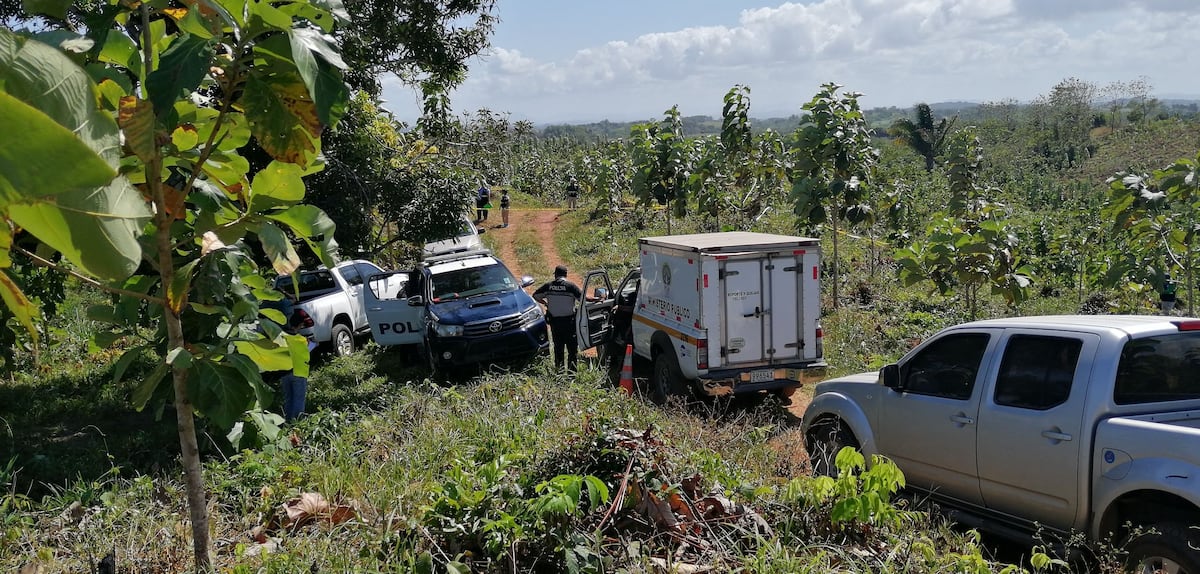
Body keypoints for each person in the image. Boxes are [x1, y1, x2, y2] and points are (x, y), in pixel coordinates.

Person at [263, 292, 309, 422]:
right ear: (299, 326)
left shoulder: (281, 337)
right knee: (299, 399)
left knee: (289, 399)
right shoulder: (301, 340)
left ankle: (288, 421)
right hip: (299, 372)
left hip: (284, 373)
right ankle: (298, 422)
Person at [533, 265, 583, 373]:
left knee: (558, 348)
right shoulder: (571, 286)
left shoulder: (548, 286)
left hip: (555, 323)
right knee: (572, 350)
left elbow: (536, 295)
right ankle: (572, 374)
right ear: (566, 275)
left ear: (555, 275)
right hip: (569, 323)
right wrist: (598, 299)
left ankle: (558, 372)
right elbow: (582, 299)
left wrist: (546, 303)